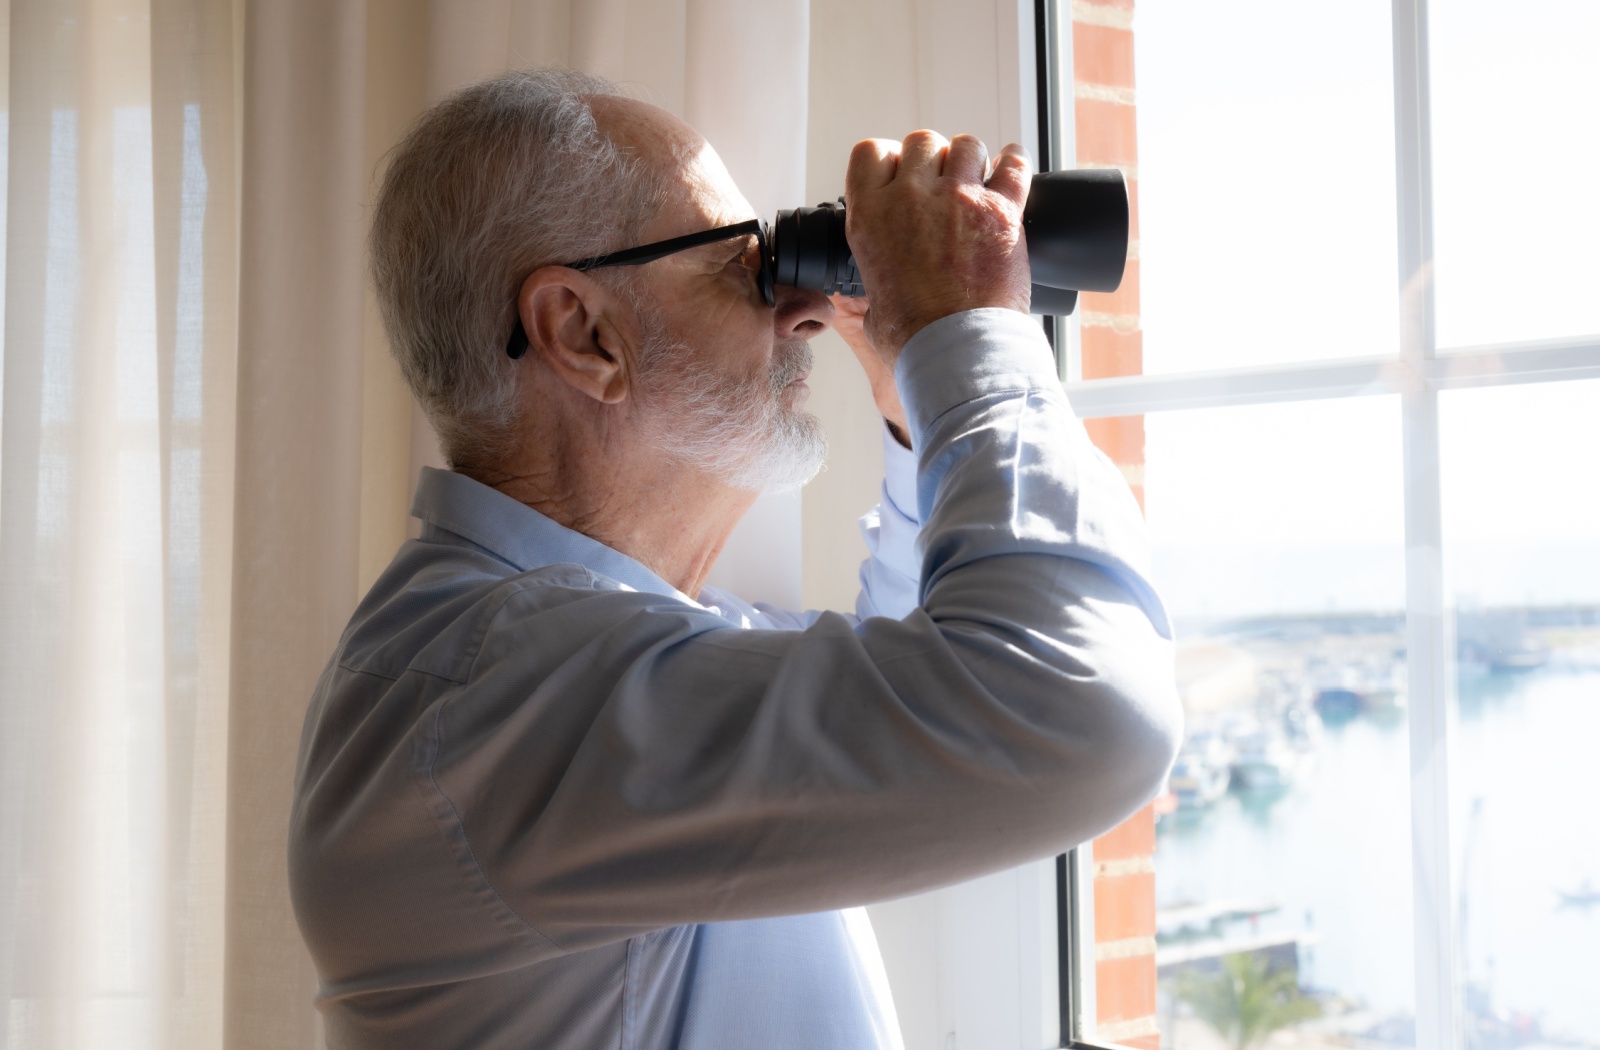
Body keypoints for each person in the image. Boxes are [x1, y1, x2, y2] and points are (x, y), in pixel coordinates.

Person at [289, 68, 1182, 1050]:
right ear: (583, 334)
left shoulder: (567, 655)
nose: (801, 312)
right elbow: (1073, 710)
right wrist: (967, 335)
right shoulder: (496, 697)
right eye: (741, 267)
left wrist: (920, 398)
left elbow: (903, 701)